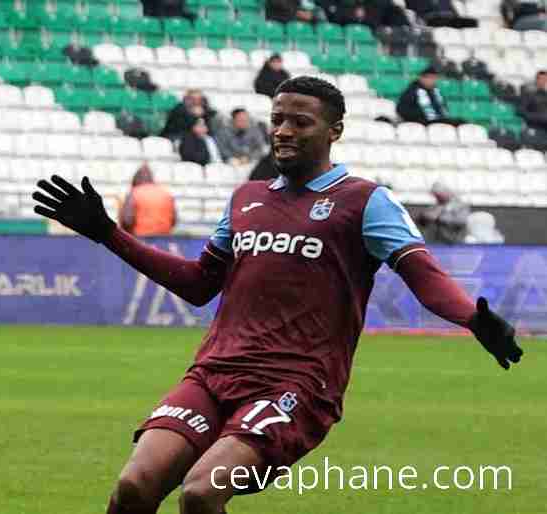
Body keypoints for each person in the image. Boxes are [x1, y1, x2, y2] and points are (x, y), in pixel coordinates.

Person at [32, 75, 522, 514]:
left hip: (296, 385)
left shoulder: (366, 200)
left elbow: (423, 273)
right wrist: (108, 233)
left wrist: (472, 319)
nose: (284, 130)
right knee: (134, 487)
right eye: (278, 119)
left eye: (300, 122)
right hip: (214, 372)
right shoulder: (248, 197)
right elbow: (199, 284)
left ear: (334, 131)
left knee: (201, 494)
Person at [118, 164, 176, 236]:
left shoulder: (134, 193)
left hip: (141, 239)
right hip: (165, 238)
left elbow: (127, 220)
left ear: (136, 180)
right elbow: (174, 220)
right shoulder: (166, 194)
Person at [396, 66, 463, 126]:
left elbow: (442, 107)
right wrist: (420, 114)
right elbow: (401, 109)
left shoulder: (436, 91)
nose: (432, 81)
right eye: (430, 78)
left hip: (437, 120)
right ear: (422, 78)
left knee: (461, 122)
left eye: (434, 78)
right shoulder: (412, 91)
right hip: (422, 121)